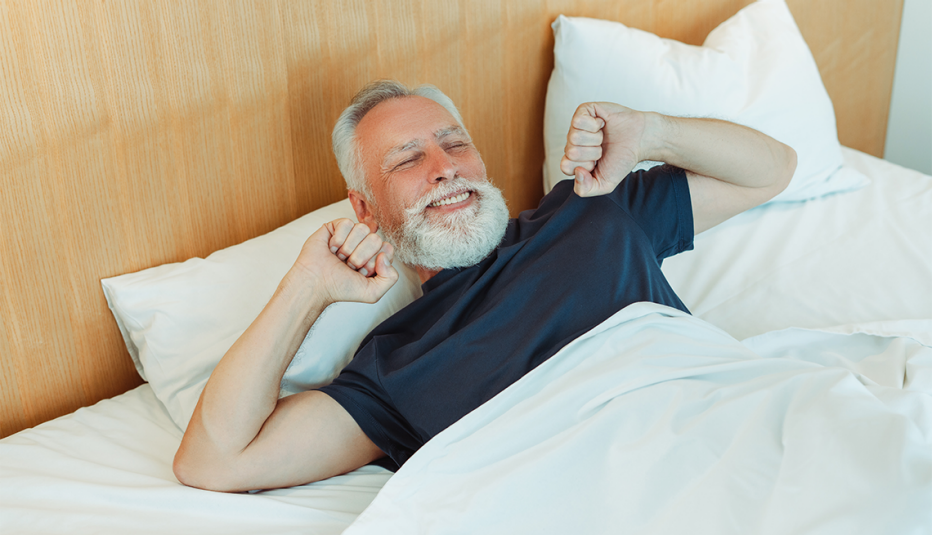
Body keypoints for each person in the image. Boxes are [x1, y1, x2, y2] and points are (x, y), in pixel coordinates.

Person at [173, 80, 796, 492]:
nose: (445, 168)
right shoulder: (394, 367)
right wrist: (307, 287)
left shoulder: (588, 209)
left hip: (737, 429)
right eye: (407, 159)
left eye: (454, 145)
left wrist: (653, 133)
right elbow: (214, 460)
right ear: (365, 211)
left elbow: (770, 171)